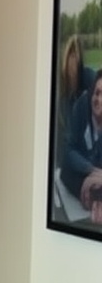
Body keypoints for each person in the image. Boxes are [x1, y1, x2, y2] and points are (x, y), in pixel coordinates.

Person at [62, 67, 102, 222]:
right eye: (96, 92)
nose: (97, 99)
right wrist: (90, 171)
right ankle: (92, 197)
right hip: (83, 170)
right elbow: (70, 149)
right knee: (66, 170)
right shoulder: (81, 106)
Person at [56, 34, 95, 165]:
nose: (75, 63)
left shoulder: (88, 77)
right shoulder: (60, 89)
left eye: (77, 57)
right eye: (72, 56)